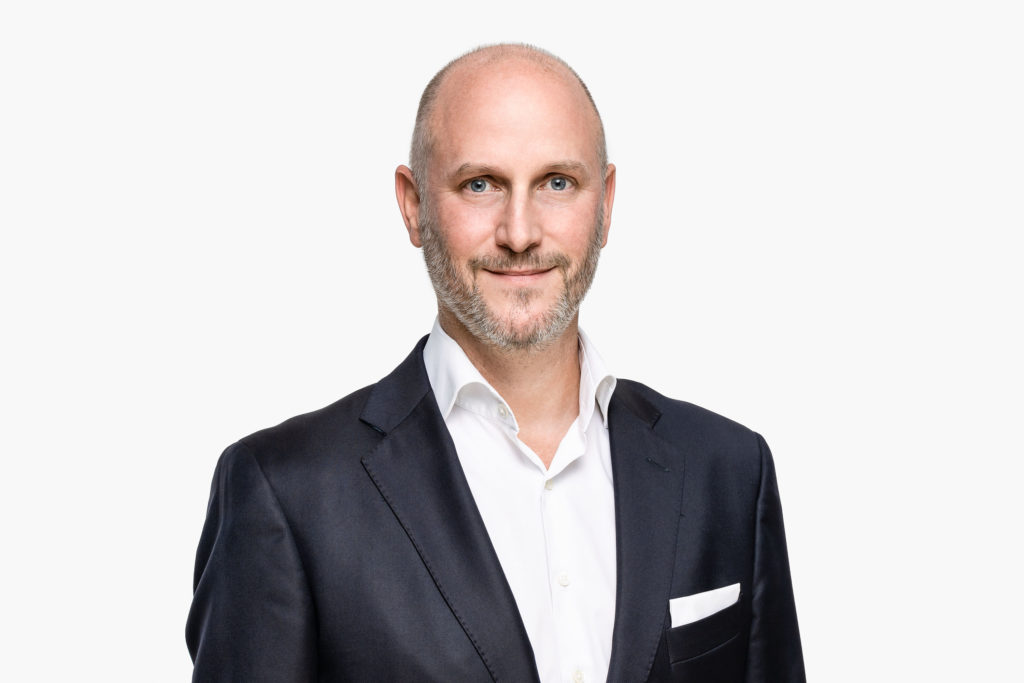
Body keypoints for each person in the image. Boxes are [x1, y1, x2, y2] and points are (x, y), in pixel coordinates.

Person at [186, 43, 805, 683]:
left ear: (606, 203)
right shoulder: (286, 492)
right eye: (479, 185)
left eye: (557, 183)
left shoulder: (729, 470)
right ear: (414, 205)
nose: (520, 233)